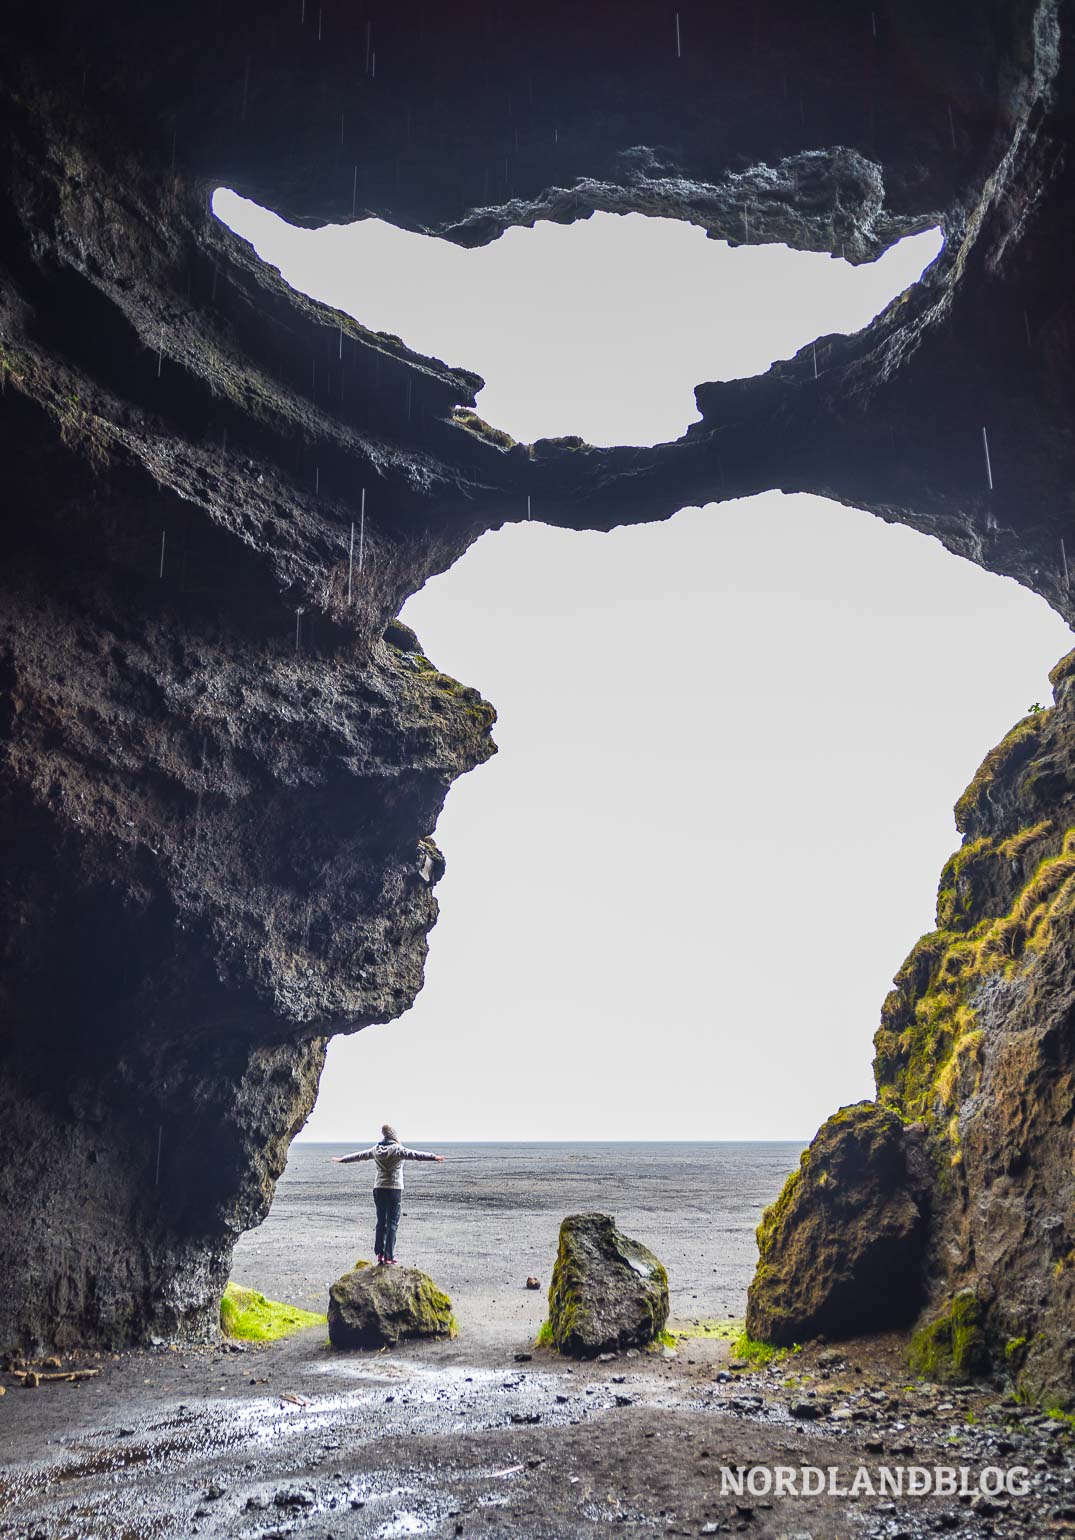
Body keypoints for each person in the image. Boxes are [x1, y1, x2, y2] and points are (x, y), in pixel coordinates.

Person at [332, 1124, 444, 1265]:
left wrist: (342, 1159)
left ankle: (379, 1254)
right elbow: (416, 1155)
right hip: (394, 1188)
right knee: (392, 1222)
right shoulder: (398, 1150)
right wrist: (434, 1157)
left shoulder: (376, 1149)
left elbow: (359, 1156)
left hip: (378, 1188)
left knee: (381, 1221)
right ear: (394, 1136)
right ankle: (389, 1256)